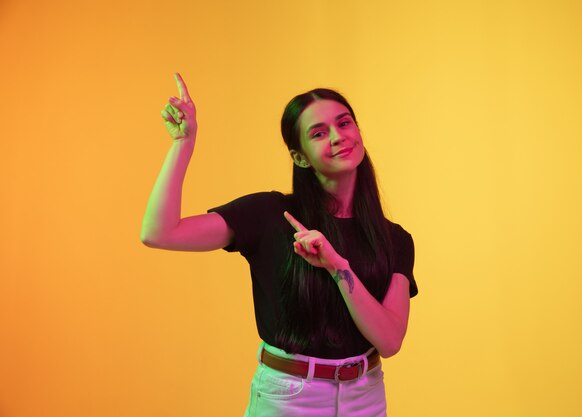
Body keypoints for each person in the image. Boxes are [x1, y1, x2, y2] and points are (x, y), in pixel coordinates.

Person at [141, 73, 418, 417]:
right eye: (318, 133)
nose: (337, 137)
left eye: (344, 123)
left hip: (365, 397)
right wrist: (183, 143)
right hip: (289, 398)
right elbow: (159, 232)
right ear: (300, 158)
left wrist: (337, 267)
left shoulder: (394, 239)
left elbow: (390, 341)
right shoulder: (270, 215)